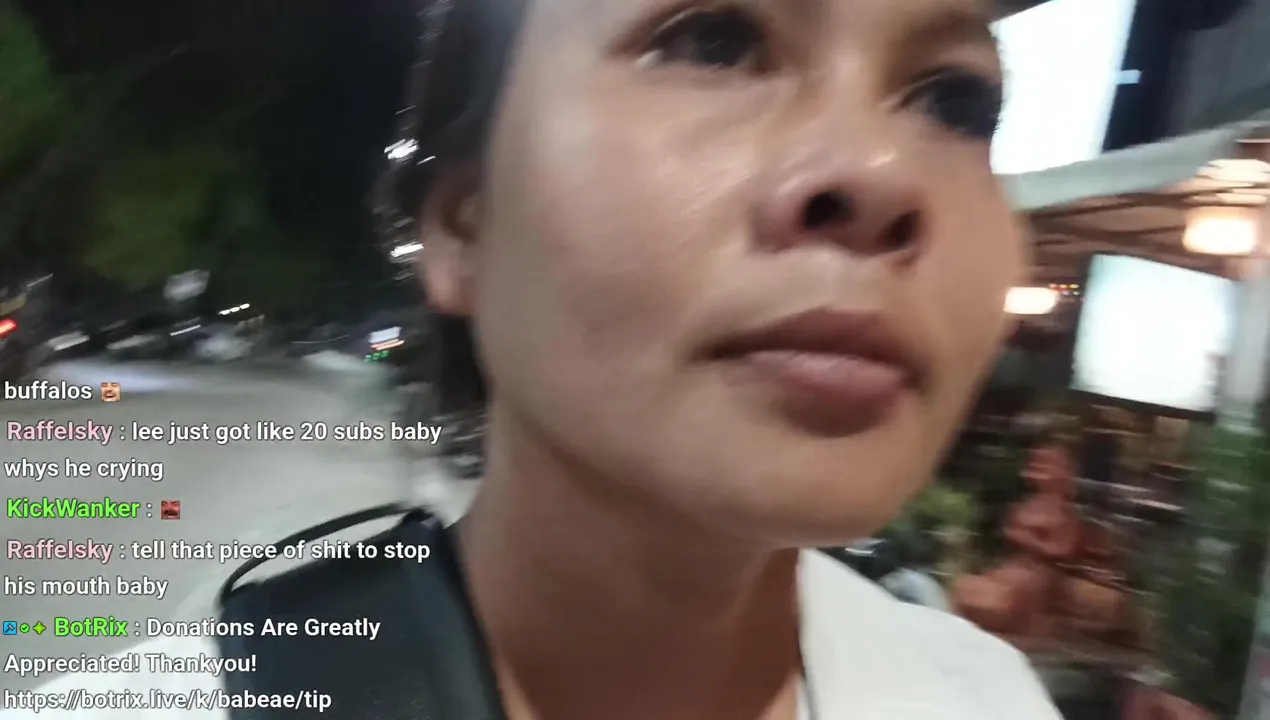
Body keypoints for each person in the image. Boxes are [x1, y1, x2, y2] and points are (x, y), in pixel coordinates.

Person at [3, 0, 1061, 717]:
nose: (881, 170)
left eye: (953, 100)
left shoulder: (985, 697)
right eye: (713, 41)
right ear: (464, 224)